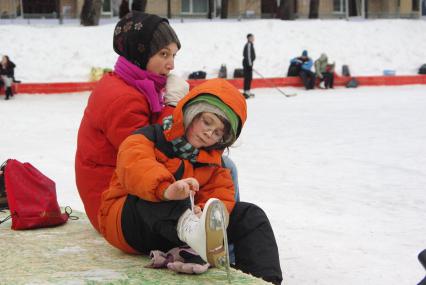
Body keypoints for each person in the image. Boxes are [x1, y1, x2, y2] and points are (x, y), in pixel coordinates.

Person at [98, 78, 283, 285]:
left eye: (218, 132)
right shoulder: (149, 137)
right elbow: (134, 166)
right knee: (151, 197)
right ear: (191, 112)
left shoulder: (214, 163)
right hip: (129, 224)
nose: (209, 133)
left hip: (182, 233)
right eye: (207, 121)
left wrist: (203, 211)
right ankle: (193, 237)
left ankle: (265, 281)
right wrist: (166, 190)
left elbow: (221, 195)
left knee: (250, 215)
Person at [75, 11, 241, 234]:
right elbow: (149, 151)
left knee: (217, 166)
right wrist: (173, 106)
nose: (171, 64)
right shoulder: (123, 98)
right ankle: (220, 239)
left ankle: (215, 231)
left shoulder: (141, 85)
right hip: (113, 202)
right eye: (163, 54)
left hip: (134, 186)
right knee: (222, 167)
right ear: (139, 54)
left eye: (173, 55)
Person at [242, 33, 256, 99]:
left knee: (249, 77)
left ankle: (247, 91)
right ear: (249, 38)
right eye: (252, 37)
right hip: (247, 63)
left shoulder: (250, 44)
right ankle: (246, 92)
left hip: (248, 63)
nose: (253, 38)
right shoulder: (249, 45)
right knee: (248, 77)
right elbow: (248, 55)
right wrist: (250, 65)